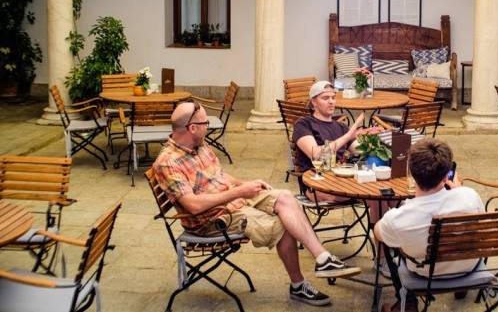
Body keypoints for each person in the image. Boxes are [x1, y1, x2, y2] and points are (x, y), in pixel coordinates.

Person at [152, 100, 361, 307]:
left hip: (233, 199)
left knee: (285, 197)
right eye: (205, 124)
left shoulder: (198, 144)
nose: (209, 127)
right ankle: (298, 285)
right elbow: (194, 206)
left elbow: (220, 176)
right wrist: (240, 191)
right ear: (192, 128)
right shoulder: (169, 161)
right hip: (213, 220)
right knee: (284, 224)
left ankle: (323, 258)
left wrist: (246, 185)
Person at [373, 138, 484, 312]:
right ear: (447, 173)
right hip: (469, 267)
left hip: (426, 273)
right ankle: (461, 288)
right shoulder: (469, 196)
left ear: (410, 172)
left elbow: (378, 232)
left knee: (389, 241)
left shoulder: (398, 218)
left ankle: (408, 302)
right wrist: (458, 190)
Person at [293, 80, 365, 202]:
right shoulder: (304, 124)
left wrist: (375, 143)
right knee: (370, 195)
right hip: (317, 184)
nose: (331, 102)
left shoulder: (341, 127)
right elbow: (316, 155)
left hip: (342, 180)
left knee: (384, 196)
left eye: (333, 97)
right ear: (314, 102)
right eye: (325, 98)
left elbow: (359, 151)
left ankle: (377, 222)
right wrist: (347, 136)